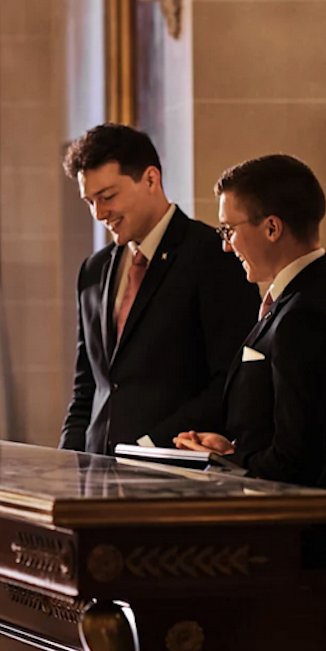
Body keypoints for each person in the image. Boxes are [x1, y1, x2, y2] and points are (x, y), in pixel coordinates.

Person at [59, 124, 257, 454]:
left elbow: (231, 379)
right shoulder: (93, 270)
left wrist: (150, 445)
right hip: (93, 478)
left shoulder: (212, 256)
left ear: (151, 179)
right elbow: (87, 386)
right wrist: (65, 464)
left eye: (107, 197)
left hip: (170, 474)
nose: (99, 213)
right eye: (90, 201)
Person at [174, 155, 326, 499]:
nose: (225, 245)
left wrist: (226, 460)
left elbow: (298, 464)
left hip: (298, 538)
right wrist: (228, 450)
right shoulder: (303, 298)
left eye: (229, 230)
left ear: (272, 228)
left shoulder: (305, 314)